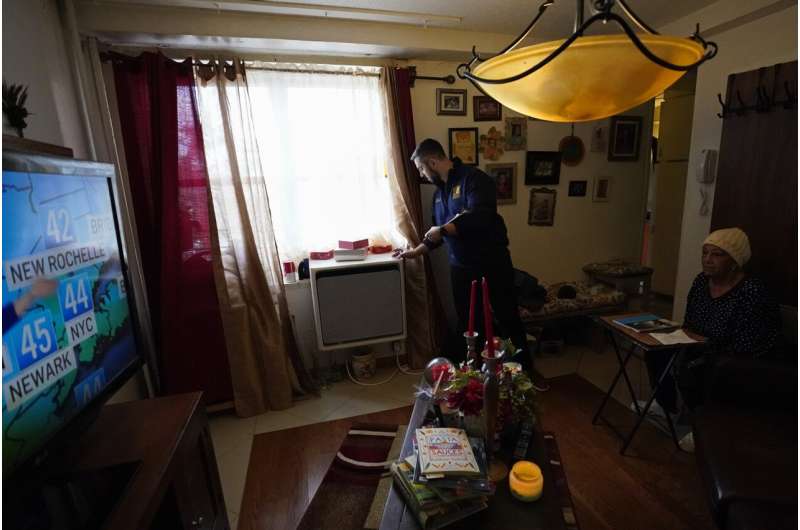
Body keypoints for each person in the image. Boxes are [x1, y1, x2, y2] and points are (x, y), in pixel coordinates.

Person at [395, 139, 545, 388]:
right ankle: (476, 377)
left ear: (432, 161)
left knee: (508, 318)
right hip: (460, 268)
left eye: (422, 168)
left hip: (492, 263)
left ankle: (526, 372)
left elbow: (481, 215)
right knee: (468, 323)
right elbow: (437, 235)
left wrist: (443, 229)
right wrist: (417, 251)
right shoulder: (438, 195)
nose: (422, 174)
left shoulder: (474, 179)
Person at [637, 227, 781, 451]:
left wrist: (702, 347)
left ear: (735, 260)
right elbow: (690, 322)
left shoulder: (752, 292)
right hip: (700, 343)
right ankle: (666, 406)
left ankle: (704, 426)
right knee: (655, 349)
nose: (708, 260)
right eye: (705, 253)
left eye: (717, 254)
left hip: (736, 355)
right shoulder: (701, 282)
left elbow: (748, 345)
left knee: (700, 367)